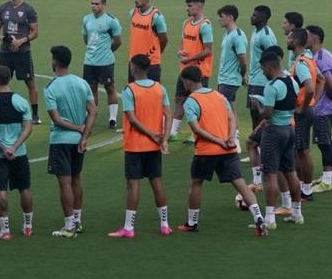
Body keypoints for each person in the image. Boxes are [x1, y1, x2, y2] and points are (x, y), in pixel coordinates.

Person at [175, 65, 267, 236]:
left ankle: (192, 223)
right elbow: (231, 118)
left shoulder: (191, 101)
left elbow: (197, 129)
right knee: (239, 182)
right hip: (228, 149)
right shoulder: (219, 95)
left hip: (206, 151)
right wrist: (231, 138)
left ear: (187, 82)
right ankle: (259, 218)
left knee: (196, 183)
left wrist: (218, 141)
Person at [108, 54, 171, 238]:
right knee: (156, 182)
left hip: (135, 145)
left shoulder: (130, 90)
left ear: (134, 68)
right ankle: (165, 225)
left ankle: (129, 227)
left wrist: (150, 133)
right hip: (154, 147)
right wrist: (164, 139)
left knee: (133, 185)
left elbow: (132, 119)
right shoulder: (160, 88)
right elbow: (168, 114)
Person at [44, 45, 97, 238]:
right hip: (77, 142)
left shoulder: (51, 87)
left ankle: (68, 226)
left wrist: (77, 128)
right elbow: (93, 111)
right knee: (76, 178)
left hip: (60, 141)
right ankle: (77, 221)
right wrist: (84, 136)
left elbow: (56, 119)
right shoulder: (82, 83)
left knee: (64, 183)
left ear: (56, 62)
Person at [249, 47, 304, 229]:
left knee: (270, 174)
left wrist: (258, 106)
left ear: (268, 66)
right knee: (290, 172)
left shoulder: (271, 87)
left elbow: (268, 114)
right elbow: (293, 105)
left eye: (263, 69)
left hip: (274, 132)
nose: (263, 72)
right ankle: (297, 213)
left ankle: (270, 218)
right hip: (289, 129)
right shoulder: (292, 82)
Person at [0, 65, 34, 240]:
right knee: (24, 188)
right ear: (9, 79)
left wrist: (3, 148)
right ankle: (28, 226)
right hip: (19, 153)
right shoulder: (21, 101)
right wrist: (14, 147)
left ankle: (5, 230)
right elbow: (28, 129)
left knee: (1, 191)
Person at [0, 0, 39, 122]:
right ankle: (1, 111)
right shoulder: (3, 8)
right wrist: (3, 38)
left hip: (22, 52)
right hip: (5, 52)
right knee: (1, 82)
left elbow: (35, 32)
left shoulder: (28, 10)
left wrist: (21, 41)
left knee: (30, 82)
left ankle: (35, 114)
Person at [307, 25, 332, 193]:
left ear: (314, 39)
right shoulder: (325, 54)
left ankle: (327, 180)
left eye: (307, 36)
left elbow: (330, 84)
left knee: (323, 143)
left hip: (322, 108)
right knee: (327, 140)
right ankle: (329, 176)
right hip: (327, 107)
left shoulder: (320, 59)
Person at [170, 0, 213, 144]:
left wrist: (189, 58)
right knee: (180, 99)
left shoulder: (205, 26)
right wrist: (180, 52)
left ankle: (196, 133)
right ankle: (173, 131)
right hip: (184, 70)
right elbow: (183, 44)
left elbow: (208, 50)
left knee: (199, 102)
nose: (187, 8)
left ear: (199, 6)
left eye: (190, 6)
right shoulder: (186, 23)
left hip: (199, 71)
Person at [288, 27, 322, 202]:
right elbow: (320, 80)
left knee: (302, 151)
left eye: (289, 37)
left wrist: (305, 105)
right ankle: (304, 188)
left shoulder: (301, 63)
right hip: (307, 109)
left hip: (303, 111)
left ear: (296, 41)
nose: (287, 39)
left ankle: (306, 191)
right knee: (301, 150)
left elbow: (309, 87)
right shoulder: (307, 59)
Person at [245, 5, 277, 188]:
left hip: (261, 83)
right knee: (254, 117)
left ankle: (263, 155)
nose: (251, 16)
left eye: (255, 15)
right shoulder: (256, 31)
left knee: (260, 118)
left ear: (263, 18)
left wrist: (269, 80)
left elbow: (273, 57)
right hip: (254, 80)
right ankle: (256, 149)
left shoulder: (266, 35)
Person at [81, 0, 123, 130]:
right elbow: (86, 38)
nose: (93, 6)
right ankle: (91, 115)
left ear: (104, 5)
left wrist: (106, 51)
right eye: (92, 3)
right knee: (91, 89)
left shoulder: (111, 21)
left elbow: (117, 41)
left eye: (97, 4)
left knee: (110, 88)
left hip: (105, 62)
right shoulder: (86, 19)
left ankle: (112, 118)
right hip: (89, 61)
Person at [128, 0, 168, 82]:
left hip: (151, 63)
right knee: (134, 91)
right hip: (133, 61)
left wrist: (155, 53)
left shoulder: (156, 17)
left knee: (153, 92)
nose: (135, 0)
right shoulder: (133, 12)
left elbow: (164, 39)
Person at [214, 5, 249, 107]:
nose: (219, 19)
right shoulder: (227, 34)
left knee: (222, 109)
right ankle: (235, 124)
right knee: (230, 108)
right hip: (225, 79)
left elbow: (243, 61)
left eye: (222, 16)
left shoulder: (237, 36)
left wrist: (242, 75)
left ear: (230, 17)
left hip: (230, 81)